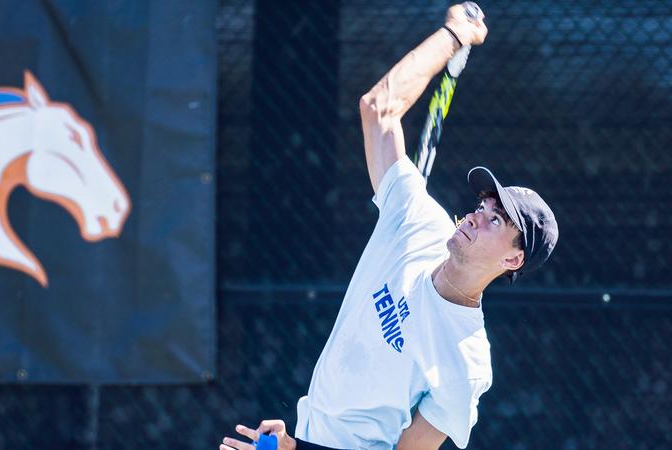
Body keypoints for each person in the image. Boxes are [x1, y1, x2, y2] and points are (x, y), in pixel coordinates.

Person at [221, 3, 558, 450]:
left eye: (496, 219)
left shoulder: (467, 363)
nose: (477, 214)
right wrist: (454, 36)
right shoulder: (417, 221)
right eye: (483, 204)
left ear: (513, 258)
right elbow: (378, 107)